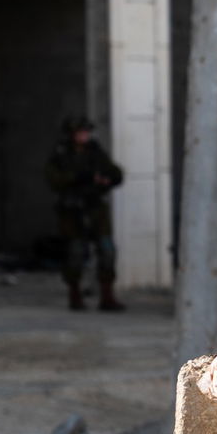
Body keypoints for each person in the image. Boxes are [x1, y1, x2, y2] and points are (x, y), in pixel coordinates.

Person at [45, 116, 125, 312]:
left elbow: (115, 172)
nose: (84, 136)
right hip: (72, 210)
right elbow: (55, 179)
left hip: (95, 207)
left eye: (86, 132)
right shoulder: (61, 154)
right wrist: (80, 178)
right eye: (80, 132)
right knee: (75, 252)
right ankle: (75, 294)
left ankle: (107, 296)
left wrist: (109, 178)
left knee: (107, 250)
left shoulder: (95, 152)